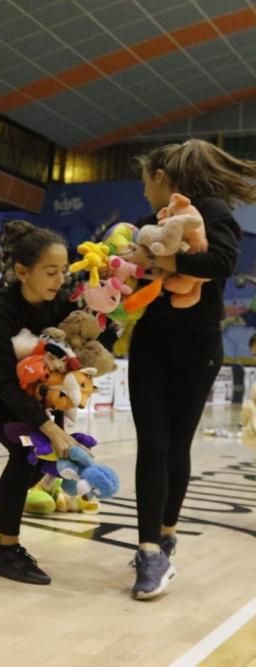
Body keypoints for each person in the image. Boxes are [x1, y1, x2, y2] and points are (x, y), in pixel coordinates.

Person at [126, 140, 251, 599]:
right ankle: (148, 550)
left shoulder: (212, 211)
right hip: (151, 344)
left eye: (145, 182)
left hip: (198, 346)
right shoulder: (146, 224)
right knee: (152, 444)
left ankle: (166, 533)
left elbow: (222, 261)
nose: (143, 193)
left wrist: (163, 260)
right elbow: (124, 264)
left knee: (176, 444)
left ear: (162, 177)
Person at [0, 220, 76, 586]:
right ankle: (5, 551)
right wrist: (47, 425)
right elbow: (4, 384)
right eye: (51, 272)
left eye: (63, 272)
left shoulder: (57, 305)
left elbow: (81, 339)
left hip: (31, 384)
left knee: (42, 462)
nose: (59, 280)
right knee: (25, 451)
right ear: (22, 272)